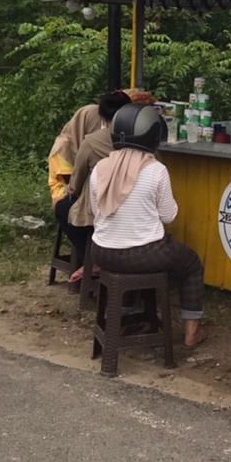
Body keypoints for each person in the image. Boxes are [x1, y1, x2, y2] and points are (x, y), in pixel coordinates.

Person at [88, 103, 206, 348]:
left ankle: (133, 318)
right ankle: (191, 333)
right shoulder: (156, 170)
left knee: (138, 258)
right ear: (153, 135)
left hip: (102, 252)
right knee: (192, 264)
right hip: (143, 255)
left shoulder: (100, 168)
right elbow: (169, 216)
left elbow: (95, 212)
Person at [61, 90, 133, 282]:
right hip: (134, 210)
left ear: (101, 116)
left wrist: (70, 191)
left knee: (63, 208)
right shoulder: (141, 141)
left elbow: (75, 184)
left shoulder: (92, 142)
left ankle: (93, 259)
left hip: (101, 212)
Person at [48, 102, 102, 269]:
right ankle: (89, 258)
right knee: (67, 209)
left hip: (89, 191)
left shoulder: (95, 144)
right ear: (84, 124)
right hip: (67, 193)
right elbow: (74, 183)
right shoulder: (63, 147)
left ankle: (99, 257)